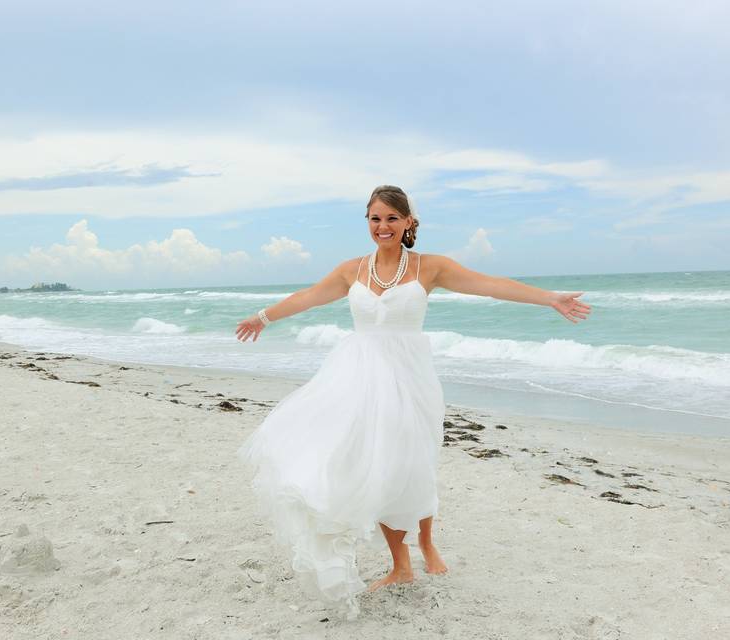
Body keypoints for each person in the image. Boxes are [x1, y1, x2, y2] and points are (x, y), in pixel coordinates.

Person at [235, 184, 591, 619]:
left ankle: (424, 541)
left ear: (408, 222)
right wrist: (263, 317)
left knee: (415, 459)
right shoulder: (352, 270)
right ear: (367, 223)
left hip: (411, 375)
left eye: (390, 218)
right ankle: (402, 564)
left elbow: (489, 285)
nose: (382, 226)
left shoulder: (430, 267)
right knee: (380, 461)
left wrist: (549, 298)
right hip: (359, 376)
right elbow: (307, 297)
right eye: (374, 219)